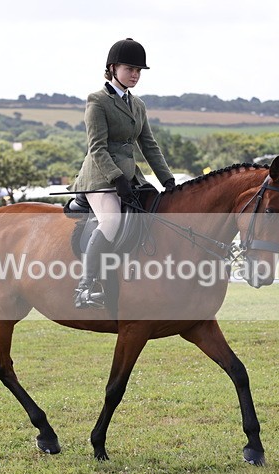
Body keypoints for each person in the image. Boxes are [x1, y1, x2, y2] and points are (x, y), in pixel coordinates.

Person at [67, 37, 176, 309]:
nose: (135, 75)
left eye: (139, 70)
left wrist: (168, 179)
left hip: (131, 177)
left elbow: (148, 145)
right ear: (113, 68)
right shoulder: (98, 101)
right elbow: (97, 147)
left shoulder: (137, 105)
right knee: (112, 221)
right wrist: (116, 178)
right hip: (99, 177)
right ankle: (86, 286)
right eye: (130, 69)